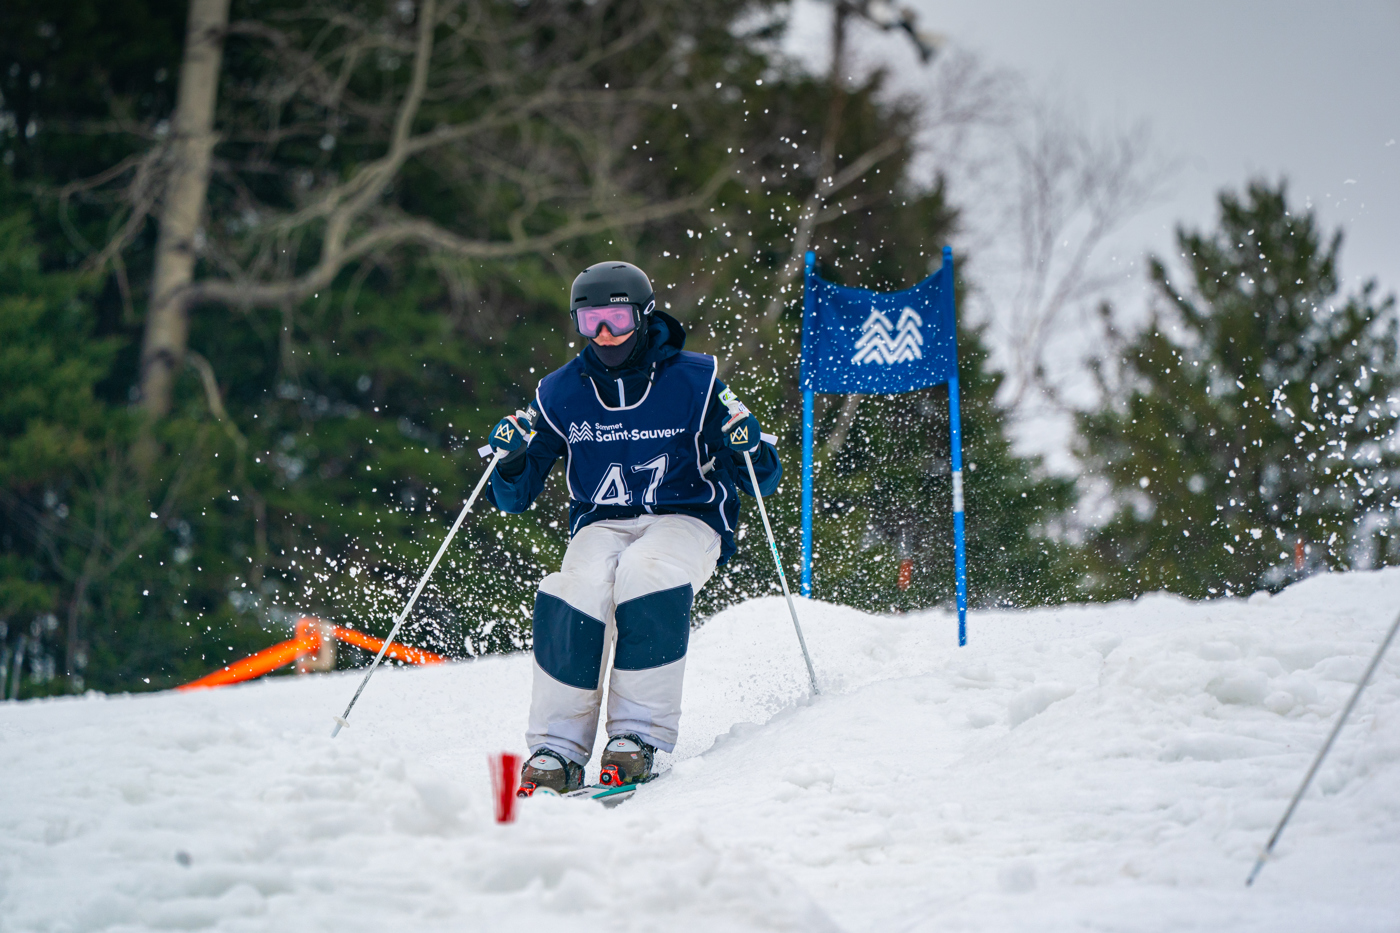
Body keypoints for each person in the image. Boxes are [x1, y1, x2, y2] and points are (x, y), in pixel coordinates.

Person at [485, 260, 781, 795]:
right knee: (574, 588)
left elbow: (761, 478)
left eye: (616, 320)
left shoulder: (698, 378)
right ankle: (558, 748)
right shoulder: (559, 393)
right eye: (589, 320)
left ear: (644, 317)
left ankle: (637, 737)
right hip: (603, 522)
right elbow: (515, 496)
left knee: (645, 572)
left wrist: (751, 446)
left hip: (688, 517)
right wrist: (509, 460)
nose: (603, 335)